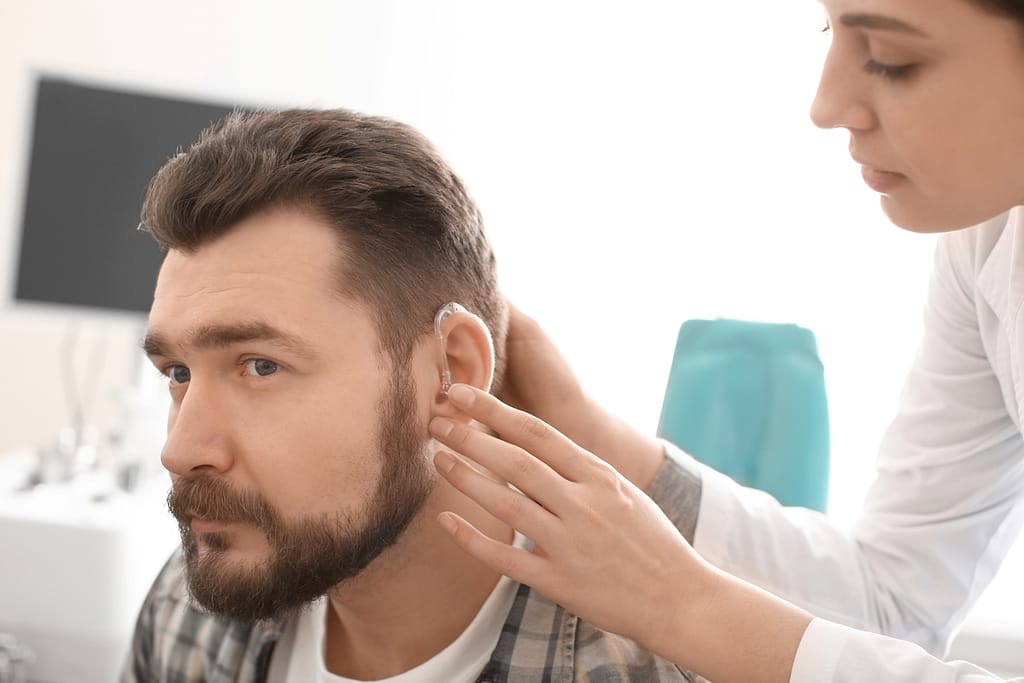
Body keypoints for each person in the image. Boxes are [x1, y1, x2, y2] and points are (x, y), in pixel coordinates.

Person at [427, 0, 1024, 681]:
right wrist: (594, 437)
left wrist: (681, 605)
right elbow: (892, 602)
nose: (825, 105)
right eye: (831, 31)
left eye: (893, 58)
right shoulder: (990, 236)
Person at [119, 109, 700, 682]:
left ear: (451, 371)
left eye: (261, 366)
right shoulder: (187, 612)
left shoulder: (633, 670)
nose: (179, 450)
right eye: (178, 373)